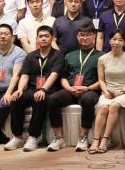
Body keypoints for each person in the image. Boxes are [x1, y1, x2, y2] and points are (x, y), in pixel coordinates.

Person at [3, 26, 62, 152]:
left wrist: (43, 90)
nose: (43, 38)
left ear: (52, 38)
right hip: (31, 88)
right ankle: (17, 137)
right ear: (37, 39)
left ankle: (33, 137)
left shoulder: (58, 55)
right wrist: (19, 89)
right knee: (16, 99)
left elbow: (54, 75)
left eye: (46, 36)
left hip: (49, 90)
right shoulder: (30, 56)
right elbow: (24, 76)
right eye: (41, 36)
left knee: (40, 99)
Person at [46, 22, 103, 151]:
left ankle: (83, 137)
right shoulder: (69, 55)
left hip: (90, 90)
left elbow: (103, 80)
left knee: (88, 100)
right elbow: (63, 77)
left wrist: (87, 88)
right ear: (77, 37)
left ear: (94, 36)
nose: (85, 38)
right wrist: (69, 88)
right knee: (53, 99)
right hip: (71, 90)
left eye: (88, 35)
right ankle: (59, 138)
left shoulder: (101, 56)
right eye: (82, 35)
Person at [89, 31, 125, 154]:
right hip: (107, 91)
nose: (116, 42)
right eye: (114, 39)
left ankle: (105, 139)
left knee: (113, 106)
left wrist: (122, 91)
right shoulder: (102, 59)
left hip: (123, 92)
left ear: (124, 43)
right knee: (103, 108)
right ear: (109, 41)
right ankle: (95, 140)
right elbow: (101, 80)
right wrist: (106, 91)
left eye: (120, 40)